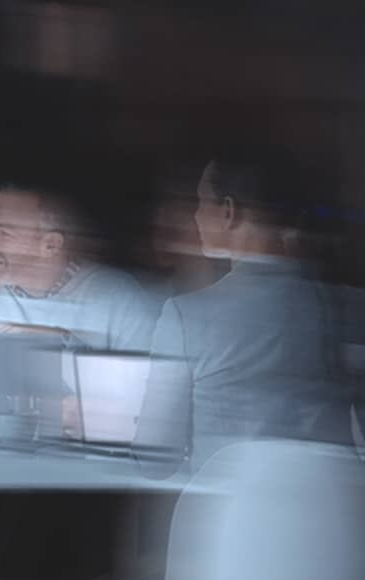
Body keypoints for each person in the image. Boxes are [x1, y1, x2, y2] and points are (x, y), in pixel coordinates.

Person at [133, 146, 356, 470]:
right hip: (333, 501)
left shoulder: (185, 316)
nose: (196, 216)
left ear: (228, 211)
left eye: (201, 202)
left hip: (230, 502)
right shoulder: (345, 307)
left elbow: (154, 463)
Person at [0, 185, 158, 352]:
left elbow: (143, 393)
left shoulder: (119, 298)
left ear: (50, 245)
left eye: (5, 233)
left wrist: (56, 343)